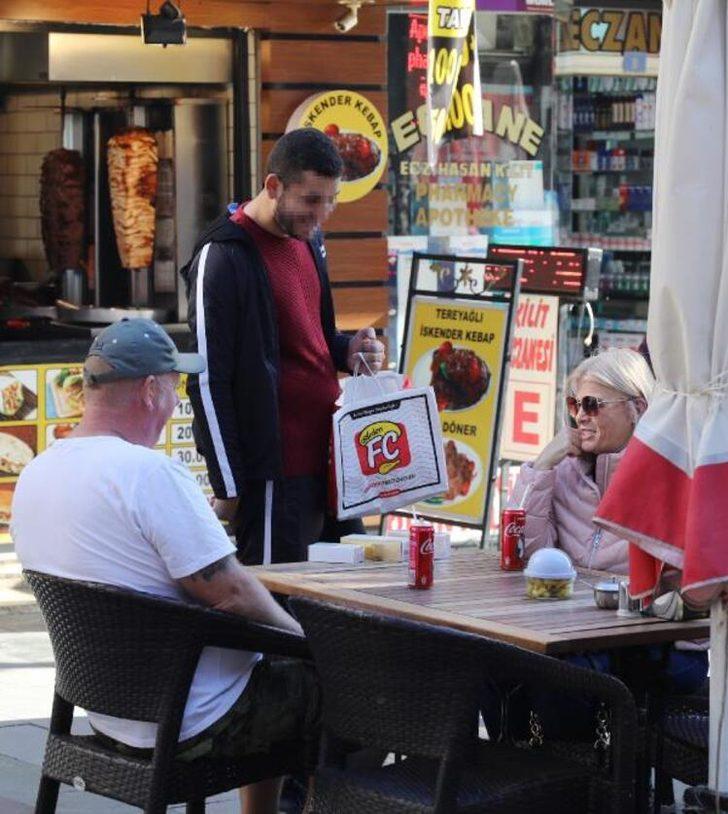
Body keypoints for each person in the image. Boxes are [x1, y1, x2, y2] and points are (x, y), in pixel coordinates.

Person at [11, 319, 319, 814]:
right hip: (193, 720)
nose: (178, 402)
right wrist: (304, 641)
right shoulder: (147, 473)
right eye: (177, 388)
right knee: (348, 689)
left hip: (109, 712)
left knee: (287, 668)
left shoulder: (36, 472)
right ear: (151, 390)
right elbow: (231, 593)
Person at [181, 127, 385, 566]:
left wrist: (348, 350)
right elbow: (206, 379)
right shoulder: (222, 255)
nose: (323, 214)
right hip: (273, 475)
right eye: (312, 200)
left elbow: (306, 338)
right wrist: (229, 486)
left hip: (332, 466)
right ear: (273, 186)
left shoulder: (309, 240)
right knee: (281, 611)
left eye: (331, 200)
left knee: (350, 601)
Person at [496, 348, 707, 739]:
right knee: (488, 663)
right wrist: (541, 466)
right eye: (575, 404)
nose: (580, 416)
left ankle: (576, 780)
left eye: (592, 404)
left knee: (562, 676)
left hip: (659, 647)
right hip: (574, 635)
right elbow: (524, 555)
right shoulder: (562, 472)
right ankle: (513, 770)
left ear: (637, 408)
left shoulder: (675, 473)